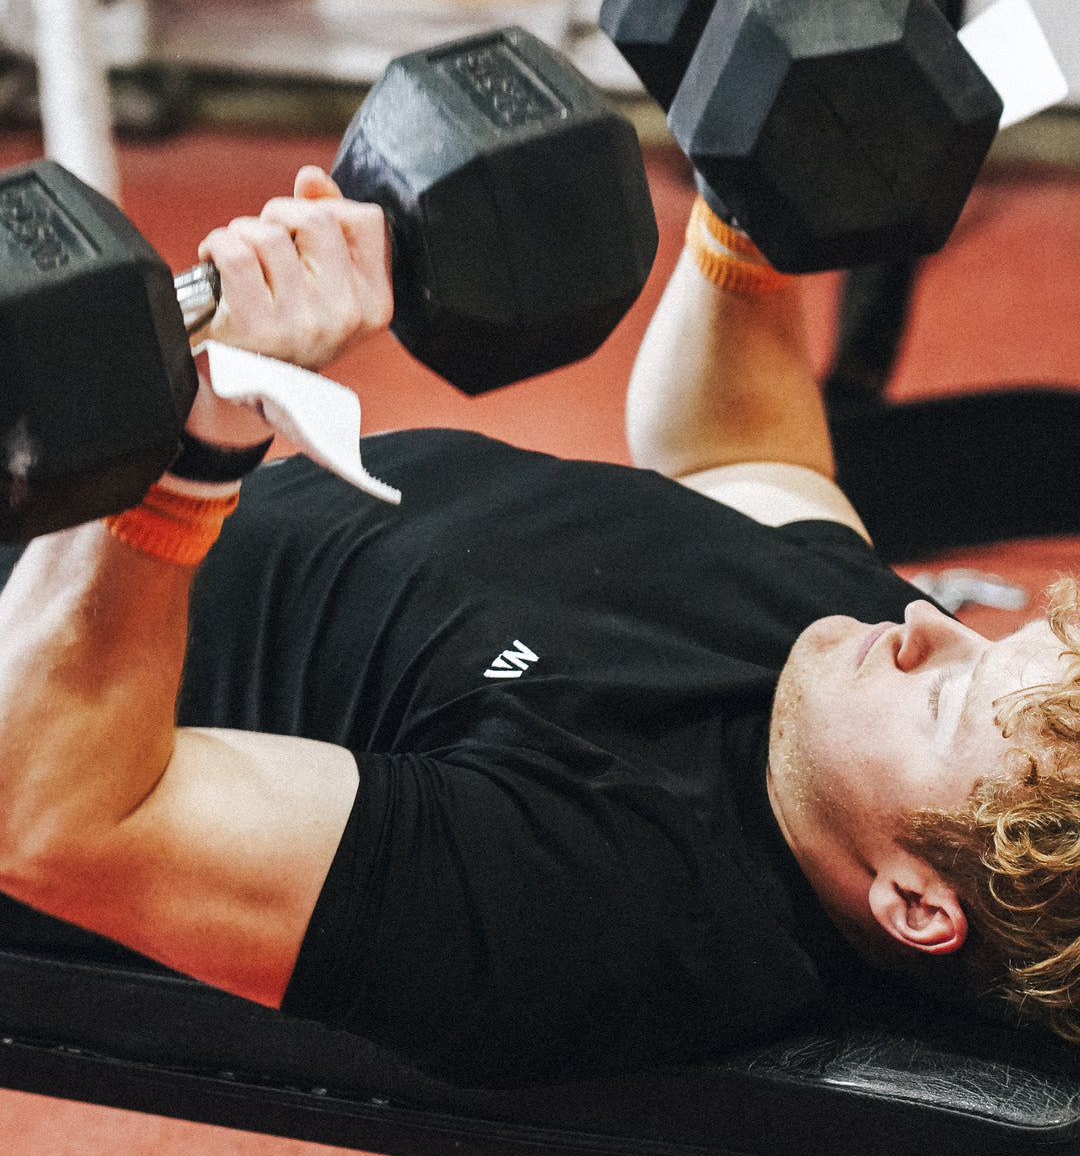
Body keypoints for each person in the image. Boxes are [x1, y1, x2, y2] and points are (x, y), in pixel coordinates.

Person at [0, 165, 1076, 1087]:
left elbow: (58, 814)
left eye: (945, 700)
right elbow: (739, 453)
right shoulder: (846, 669)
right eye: (987, 638)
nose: (925, 626)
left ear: (914, 903)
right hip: (66, 511)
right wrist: (759, 211)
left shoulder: (595, 896)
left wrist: (199, 438)